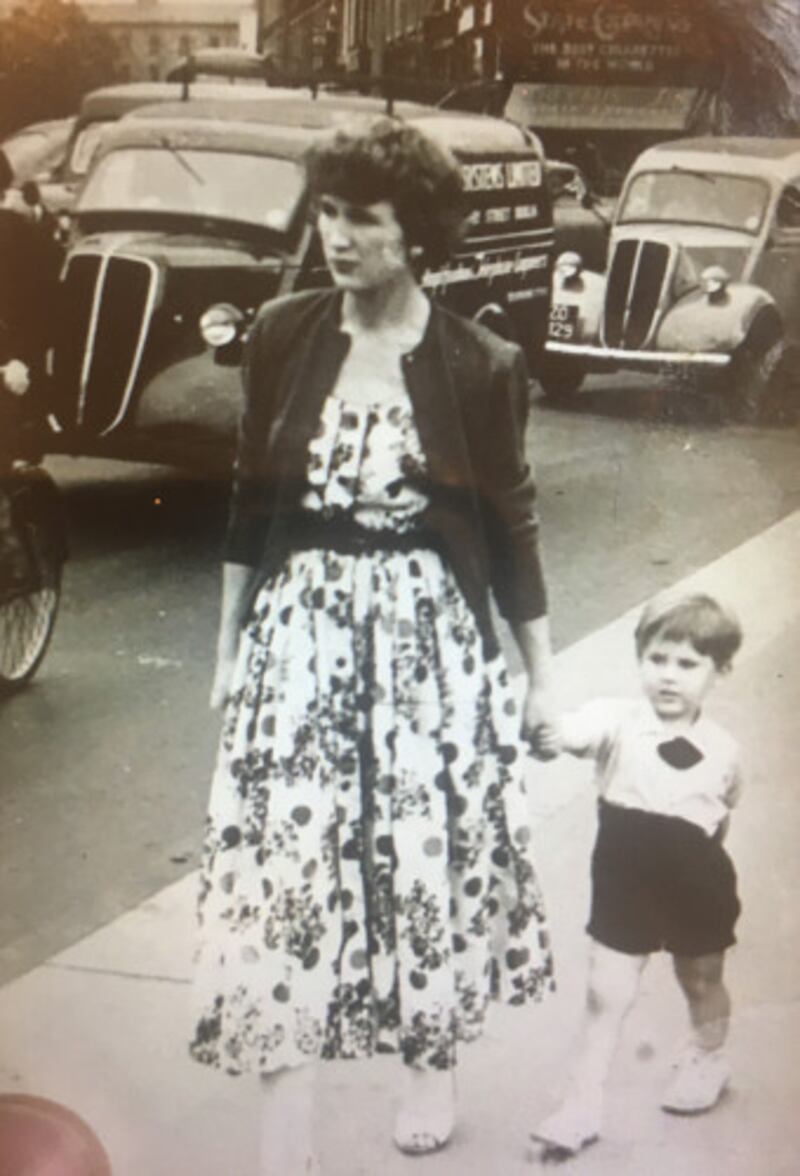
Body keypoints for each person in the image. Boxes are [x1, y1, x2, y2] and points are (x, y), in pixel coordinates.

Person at [189, 117, 557, 1172]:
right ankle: (283, 1109)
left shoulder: (476, 361)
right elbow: (248, 502)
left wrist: (536, 678)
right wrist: (227, 648)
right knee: (285, 866)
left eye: (363, 218)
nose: (338, 236)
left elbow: (508, 520)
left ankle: (427, 1065)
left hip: (423, 643)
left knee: (416, 856)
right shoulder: (281, 332)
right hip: (299, 632)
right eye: (330, 213)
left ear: (416, 232)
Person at [530, 591, 744, 1158]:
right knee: (606, 992)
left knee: (701, 979)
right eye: (657, 659)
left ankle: (706, 1059)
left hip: (698, 881)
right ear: (641, 660)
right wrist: (548, 731)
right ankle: (582, 1105)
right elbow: (570, 733)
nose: (668, 676)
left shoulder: (723, 748)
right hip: (625, 878)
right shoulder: (616, 721)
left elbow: (725, 805)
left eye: (687, 664)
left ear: (718, 670)